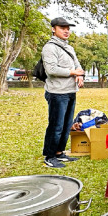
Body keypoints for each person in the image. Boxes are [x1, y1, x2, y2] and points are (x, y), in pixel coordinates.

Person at [41, 17, 85, 168]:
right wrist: (73, 72)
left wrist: (79, 74)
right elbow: (51, 70)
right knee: (56, 125)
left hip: (70, 90)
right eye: (62, 28)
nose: (66, 31)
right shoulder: (50, 47)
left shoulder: (69, 48)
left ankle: (59, 152)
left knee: (67, 125)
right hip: (57, 92)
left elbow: (77, 65)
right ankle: (50, 155)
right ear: (53, 29)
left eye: (68, 28)